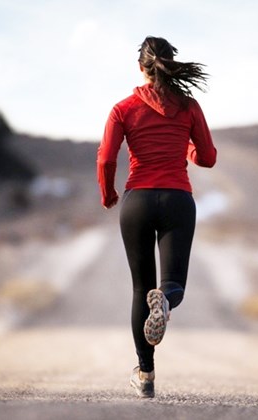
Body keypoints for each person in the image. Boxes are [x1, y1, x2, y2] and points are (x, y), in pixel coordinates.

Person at [97, 36, 217, 398]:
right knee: (171, 283)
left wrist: (108, 193)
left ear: (141, 67)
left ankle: (145, 374)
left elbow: (106, 157)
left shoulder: (123, 108)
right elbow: (208, 158)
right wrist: (189, 147)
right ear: (171, 64)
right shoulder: (189, 106)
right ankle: (164, 300)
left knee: (139, 287)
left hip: (137, 201)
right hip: (178, 199)